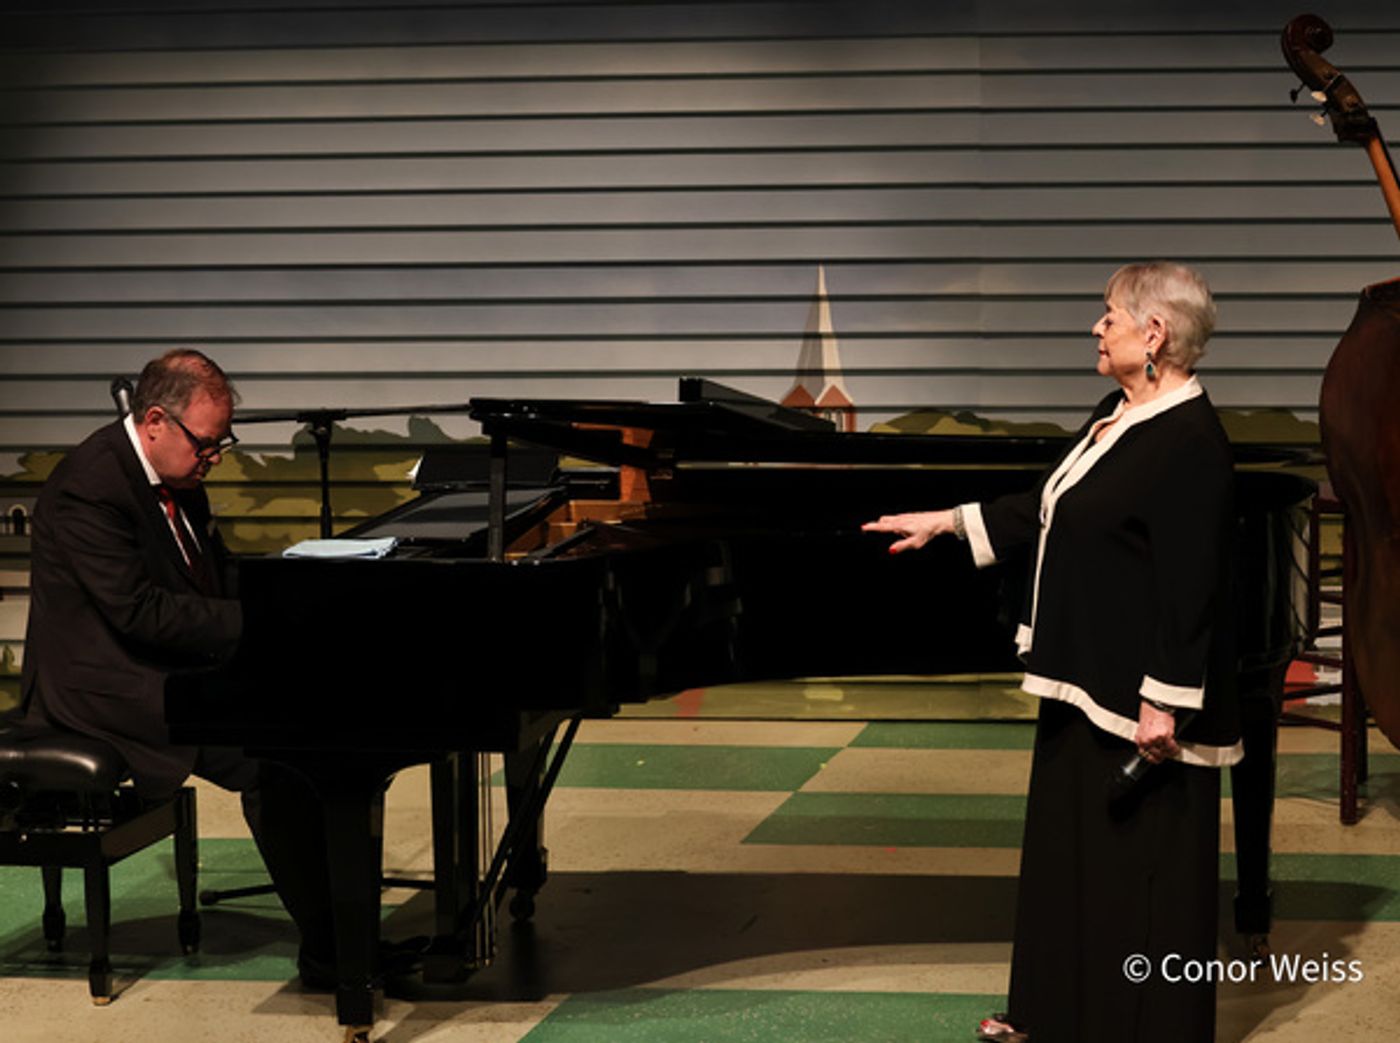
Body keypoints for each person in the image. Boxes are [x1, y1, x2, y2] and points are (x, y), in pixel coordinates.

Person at [864, 262, 1239, 1043]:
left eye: (1109, 317)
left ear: (1154, 334)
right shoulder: (1120, 412)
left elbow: (1190, 578)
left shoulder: (1191, 441)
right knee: (1072, 859)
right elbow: (1049, 506)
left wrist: (1162, 698)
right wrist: (947, 521)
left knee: (1138, 877)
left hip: (1138, 697)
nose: (1097, 329)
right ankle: (1058, 1012)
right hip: (1082, 675)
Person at [21, 348, 340, 987]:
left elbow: (214, 578)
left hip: (160, 663)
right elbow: (139, 612)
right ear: (158, 421)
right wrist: (264, 627)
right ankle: (332, 955)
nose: (215, 456)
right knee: (271, 760)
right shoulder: (91, 484)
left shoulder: (180, 474)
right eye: (207, 443)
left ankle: (340, 930)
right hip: (103, 684)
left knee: (315, 736)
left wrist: (291, 596)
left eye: (223, 443)